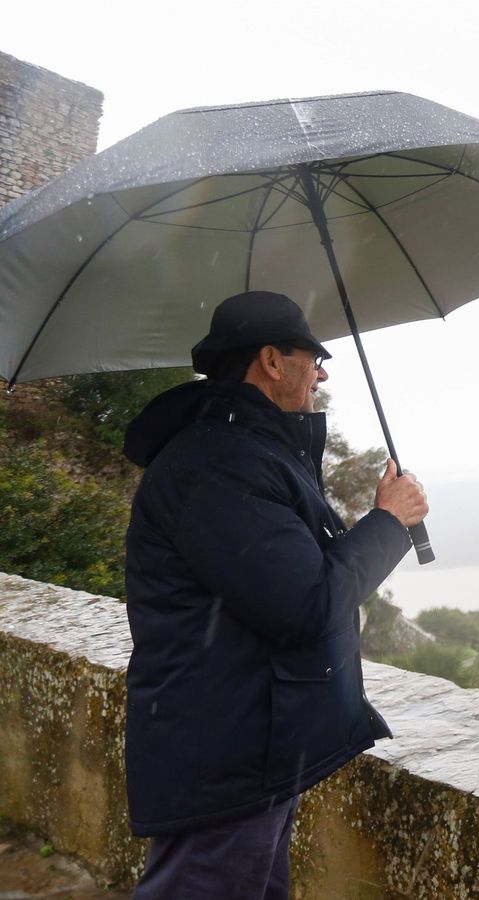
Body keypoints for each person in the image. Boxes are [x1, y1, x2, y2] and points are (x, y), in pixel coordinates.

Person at [120, 290, 428, 899]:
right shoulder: (219, 465)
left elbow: (290, 576)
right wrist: (389, 523)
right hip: (225, 759)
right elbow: (306, 604)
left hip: (252, 744)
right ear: (271, 360)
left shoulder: (248, 451)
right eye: (314, 359)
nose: (319, 374)